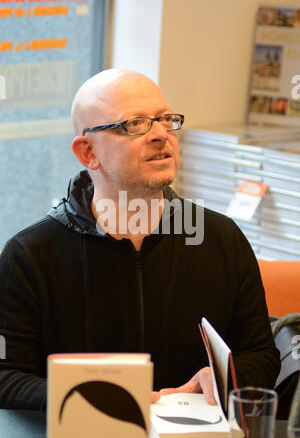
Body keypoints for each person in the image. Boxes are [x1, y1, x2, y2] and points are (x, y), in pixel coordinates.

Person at [0, 69, 280, 410]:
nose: (161, 134)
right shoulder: (30, 255)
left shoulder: (221, 238)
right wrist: (83, 394)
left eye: (165, 119)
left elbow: (261, 354)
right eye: (135, 124)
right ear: (88, 152)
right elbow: (6, 375)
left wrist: (223, 376)